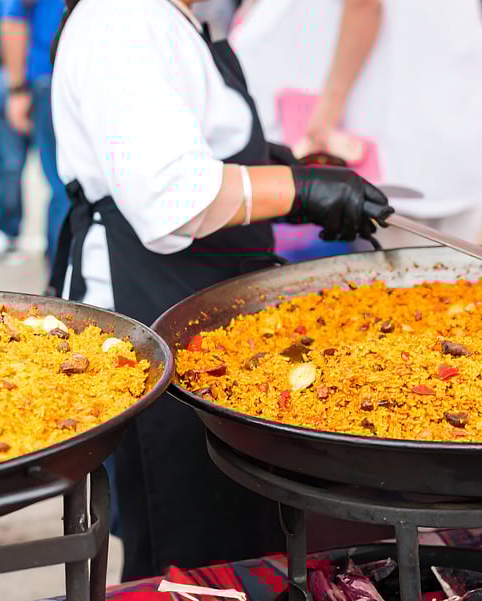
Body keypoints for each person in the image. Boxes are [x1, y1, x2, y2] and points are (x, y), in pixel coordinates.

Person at [49, 0, 390, 581]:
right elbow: (173, 197)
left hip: (204, 310)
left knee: (237, 540)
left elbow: (193, 146)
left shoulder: (178, 18)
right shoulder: (121, 20)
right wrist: (300, 189)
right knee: (187, 549)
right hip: (151, 312)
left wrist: (284, 166)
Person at [229, 0, 482, 250]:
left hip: (396, 143)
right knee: (461, 285)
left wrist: (326, 114)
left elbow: (364, 5)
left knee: (395, 286)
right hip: (457, 139)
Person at [0, 0, 68, 265]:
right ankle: (59, 276)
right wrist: (16, 89)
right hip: (49, 79)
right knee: (65, 185)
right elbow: (12, 19)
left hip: (59, 78)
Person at [0, 0, 27, 259]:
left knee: (3, 160)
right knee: (6, 160)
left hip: (5, 73)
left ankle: (5, 228)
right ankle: (6, 229)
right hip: (3, 75)